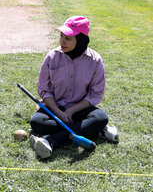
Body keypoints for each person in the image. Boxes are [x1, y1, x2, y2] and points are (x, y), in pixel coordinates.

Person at [29, 16, 118, 159]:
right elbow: (45, 90)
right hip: (54, 106)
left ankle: (51, 141)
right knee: (37, 123)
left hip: (80, 109)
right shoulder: (52, 57)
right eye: (61, 36)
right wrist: (59, 112)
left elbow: (95, 94)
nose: (62, 41)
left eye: (68, 38)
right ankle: (94, 130)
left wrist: (70, 111)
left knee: (101, 117)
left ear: (81, 40)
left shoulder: (95, 60)